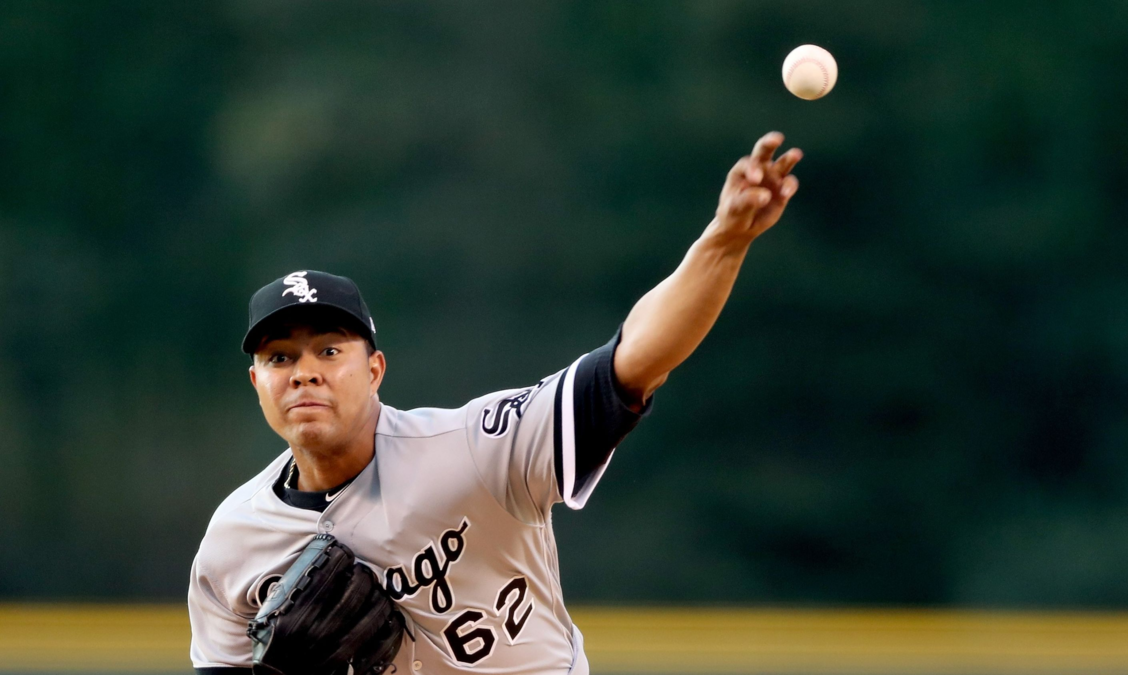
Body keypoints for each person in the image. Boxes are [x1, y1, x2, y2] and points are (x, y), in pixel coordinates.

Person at [188, 132, 802, 674]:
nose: (304, 374)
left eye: (329, 351)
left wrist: (724, 241)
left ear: (375, 371)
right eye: (280, 358)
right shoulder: (234, 542)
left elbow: (635, 361)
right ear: (257, 383)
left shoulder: (476, 448)